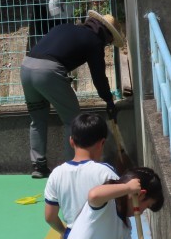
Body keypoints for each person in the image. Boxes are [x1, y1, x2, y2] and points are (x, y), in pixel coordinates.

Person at [20, 10, 124, 178]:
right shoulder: (95, 41)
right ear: (106, 34)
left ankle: (39, 165)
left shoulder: (65, 28)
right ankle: (72, 167)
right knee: (73, 120)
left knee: (37, 118)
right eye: (110, 41)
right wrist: (108, 100)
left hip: (26, 67)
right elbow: (98, 76)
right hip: (48, 72)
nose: (108, 44)